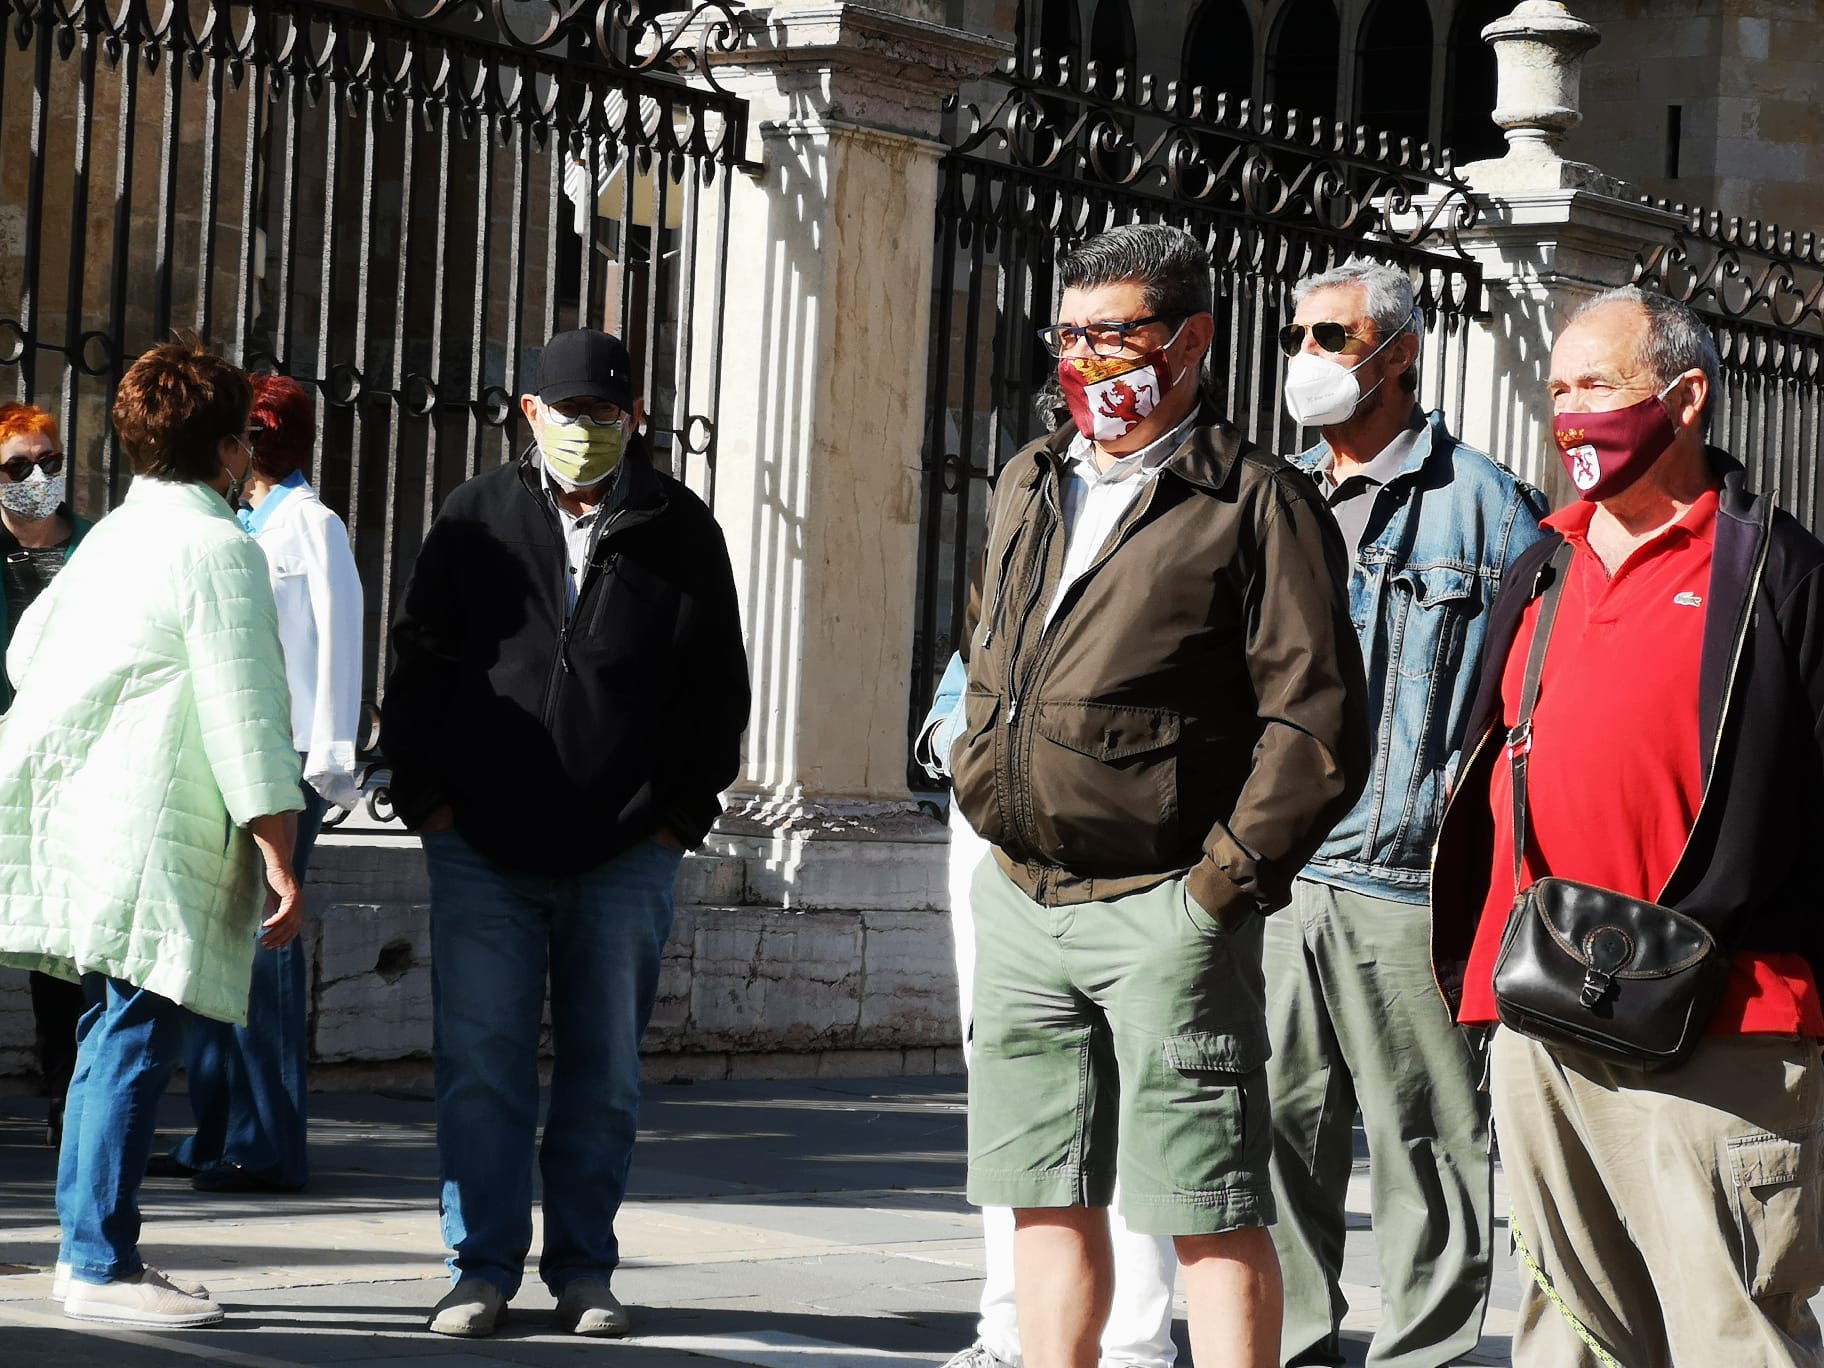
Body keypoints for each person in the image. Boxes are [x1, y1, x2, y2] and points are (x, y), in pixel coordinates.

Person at [949, 222, 1370, 1368]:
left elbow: (1318, 720)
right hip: (1024, 899)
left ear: (1190, 343)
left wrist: (1219, 891)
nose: (1085, 361)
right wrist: (973, 760)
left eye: (1113, 336)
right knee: (1042, 1193)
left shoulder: (1256, 503)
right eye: (1068, 336)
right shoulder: (1033, 478)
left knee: (1208, 1202)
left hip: (1165, 907)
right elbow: (995, 641)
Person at [1431, 285, 1824, 1364]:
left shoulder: (1778, 572)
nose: (1570, 415)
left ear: (1687, 398)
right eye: (1557, 390)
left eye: (1597, 385)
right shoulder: (1542, 563)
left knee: (1729, 1331)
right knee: (1571, 1334)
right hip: (1543, 1012)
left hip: (1724, 1027)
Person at [382, 327, 750, 1339]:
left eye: (604, 412)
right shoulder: (476, 519)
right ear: (527, 414)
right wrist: (427, 801)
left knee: (605, 1074)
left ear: (634, 417)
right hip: (481, 849)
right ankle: (482, 1268)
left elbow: (717, 692)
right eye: (567, 411)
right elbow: (419, 662)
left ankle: (585, 1267)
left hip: (624, 855)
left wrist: (676, 821)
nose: (585, 431)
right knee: (481, 1065)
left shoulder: (682, 530)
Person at [1267, 260, 1548, 1367]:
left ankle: (1421, 1356)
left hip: (1409, 885)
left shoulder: (1489, 505)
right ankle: (1291, 1347)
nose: (1308, 360)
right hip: (1278, 875)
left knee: (1428, 1147)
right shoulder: (1278, 497)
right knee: (1276, 1136)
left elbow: (1526, 702)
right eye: (1299, 336)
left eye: (1332, 338)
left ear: (1400, 353)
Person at [0, 337, 304, 1329]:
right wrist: (276, 849)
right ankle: (98, 1261)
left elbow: (28, 651)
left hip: (92, 818)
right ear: (230, 446)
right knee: (132, 1039)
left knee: (107, 1034)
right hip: (152, 825)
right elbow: (245, 705)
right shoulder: (219, 548)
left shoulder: (109, 541)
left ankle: (89, 1252)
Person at [919, 650, 1180, 1368]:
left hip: (1120, 818)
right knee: (1013, 1093)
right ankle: (1009, 1337)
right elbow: (963, 675)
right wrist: (970, 753)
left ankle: (1131, 1348)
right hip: (998, 814)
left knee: (1136, 1093)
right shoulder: (1025, 533)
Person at [154, 373, 364, 1193]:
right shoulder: (233, 522)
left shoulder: (313, 525)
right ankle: (215, 1133)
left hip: (284, 759)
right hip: (225, 754)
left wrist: (331, 757)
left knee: (264, 952)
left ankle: (269, 1144)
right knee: (215, 945)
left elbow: (340, 641)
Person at [0, 402, 93, 1149]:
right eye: (18, 467)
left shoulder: (95, 550)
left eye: (50, 463)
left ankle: (67, 1096)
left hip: (72, 769)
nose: (39, 478)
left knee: (57, 947)